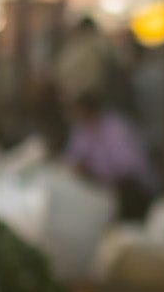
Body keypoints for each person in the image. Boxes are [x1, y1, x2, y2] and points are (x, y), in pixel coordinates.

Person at [62, 91, 157, 220]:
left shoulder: (116, 126)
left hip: (134, 187)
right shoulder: (82, 132)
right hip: (108, 191)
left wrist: (99, 176)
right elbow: (73, 159)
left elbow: (129, 165)